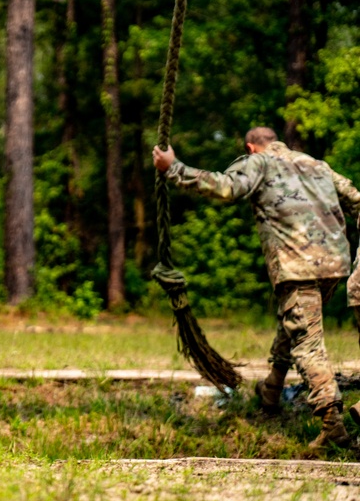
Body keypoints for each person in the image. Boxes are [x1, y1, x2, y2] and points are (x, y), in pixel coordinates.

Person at [153, 127, 360, 449]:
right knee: (294, 324)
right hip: (335, 263)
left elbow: (226, 188)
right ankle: (272, 390)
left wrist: (174, 168)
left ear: (251, 147)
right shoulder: (316, 164)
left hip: (298, 265)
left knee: (307, 344)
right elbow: (356, 200)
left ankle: (333, 427)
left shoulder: (259, 162)